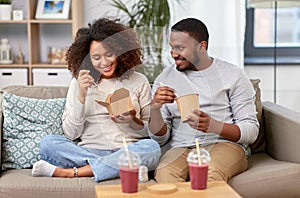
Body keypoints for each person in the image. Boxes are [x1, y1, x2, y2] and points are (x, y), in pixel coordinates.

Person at [31, 18, 161, 182]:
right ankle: (125, 167)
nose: (105, 62)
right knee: (48, 144)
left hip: (128, 148)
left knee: (152, 148)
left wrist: (132, 120)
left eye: (109, 54)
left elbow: (150, 132)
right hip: (90, 150)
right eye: (96, 57)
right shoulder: (78, 83)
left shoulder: (139, 81)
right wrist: (81, 95)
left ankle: (72, 172)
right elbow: (71, 134)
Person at [148, 18, 259, 183]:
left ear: (202, 46)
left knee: (210, 173)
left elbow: (251, 131)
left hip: (224, 145)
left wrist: (214, 126)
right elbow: (159, 139)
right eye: (172, 47)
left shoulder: (232, 75)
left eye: (180, 48)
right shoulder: (165, 78)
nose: (173, 54)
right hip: (181, 148)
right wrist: (155, 109)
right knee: (165, 174)